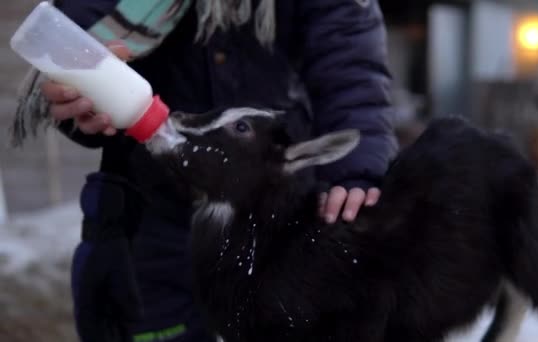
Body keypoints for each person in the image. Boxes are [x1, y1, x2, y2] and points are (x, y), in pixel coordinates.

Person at [14, 0, 397, 340]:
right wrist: (79, 95)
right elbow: (74, 42)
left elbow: (350, 58)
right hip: (149, 220)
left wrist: (356, 170)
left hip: (276, 232)